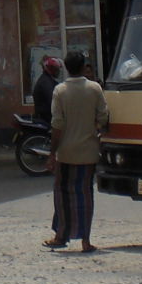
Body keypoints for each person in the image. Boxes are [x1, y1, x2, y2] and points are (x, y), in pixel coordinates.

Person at [43, 51, 108, 253]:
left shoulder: (60, 91)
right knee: (85, 194)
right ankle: (86, 241)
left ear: (67, 68)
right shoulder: (95, 88)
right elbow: (103, 117)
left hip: (66, 152)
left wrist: (52, 153)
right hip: (88, 151)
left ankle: (61, 235)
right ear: (82, 67)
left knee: (63, 194)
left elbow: (57, 125)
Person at [32, 56, 62, 124]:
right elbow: (53, 100)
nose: (59, 72)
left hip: (45, 116)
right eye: (57, 69)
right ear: (51, 69)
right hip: (46, 119)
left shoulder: (47, 80)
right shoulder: (46, 82)